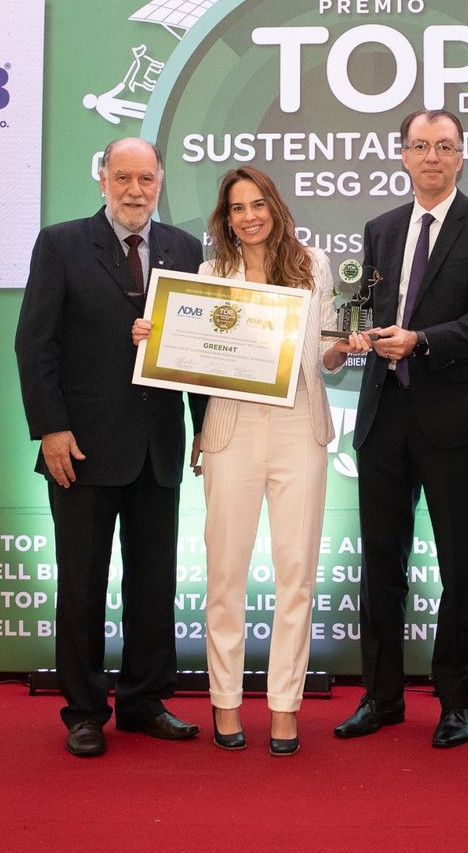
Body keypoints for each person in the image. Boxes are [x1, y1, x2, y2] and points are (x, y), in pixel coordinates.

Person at [134, 167, 353, 757]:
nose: (249, 216)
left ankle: (285, 706)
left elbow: (325, 355)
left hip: (299, 426)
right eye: (237, 208)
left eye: (258, 204)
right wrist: (154, 337)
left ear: (275, 207)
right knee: (225, 574)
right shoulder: (210, 274)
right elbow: (192, 355)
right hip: (230, 429)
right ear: (226, 219)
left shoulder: (314, 264)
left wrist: (344, 345)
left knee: (296, 574)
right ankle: (225, 700)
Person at [15, 137, 206, 757]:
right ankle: (84, 710)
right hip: (81, 448)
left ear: (160, 181)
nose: (134, 190)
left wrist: (204, 425)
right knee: (82, 584)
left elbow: (201, 351)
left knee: (154, 583)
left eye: (145, 178)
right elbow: (34, 344)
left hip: (157, 446)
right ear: (102, 179)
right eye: (122, 177)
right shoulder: (61, 244)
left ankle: (145, 701)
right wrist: (50, 429)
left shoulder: (185, 249)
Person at [334, 108, 468, 749]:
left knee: (460, 562)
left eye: (444, 146)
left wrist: (421, 341)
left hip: (454, 418)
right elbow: (364, 306)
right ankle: (380, 696)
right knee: (381, 563)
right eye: (420, 145)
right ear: (404, 155)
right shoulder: (381, 229)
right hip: (383, 417)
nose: (431, 156)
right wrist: (348, 335)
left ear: (461, 156)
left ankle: (457, 699)